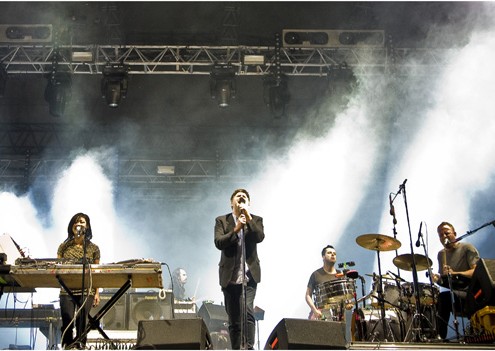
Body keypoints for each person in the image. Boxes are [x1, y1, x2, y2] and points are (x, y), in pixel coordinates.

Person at [214, 188, 265, 350]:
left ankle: (249, 348)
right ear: (232, 203)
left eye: (245, 197)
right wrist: (236, 229)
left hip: (249, 276)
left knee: (248, 312)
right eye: (238, 196)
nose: (241, 197)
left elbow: (259, 237)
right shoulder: (222, 221)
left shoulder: (256, 220)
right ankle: (236, 348)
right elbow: (219, 242)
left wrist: (248, 219)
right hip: (229, 276)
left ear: (248, 203)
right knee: (234, 319)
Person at [57, 212, 101, 349]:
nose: (79, 224)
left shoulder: (93, 248)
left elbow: (97, 272)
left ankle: (80, 345)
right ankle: (67, 346)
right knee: (67, 318)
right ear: (72, 226)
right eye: (76, 222)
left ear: (87, 227)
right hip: (67, 288)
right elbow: (58, 268)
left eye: (82, 222)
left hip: (87, 289)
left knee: (82, 318)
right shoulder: (64, 246)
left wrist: (97, 293)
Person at [432, 221, 480, 340]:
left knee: (444, 297)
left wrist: (455, 273)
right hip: (457, 294)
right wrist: (437, 279)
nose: (444, 237)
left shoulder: (467, 248)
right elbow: (446, 281)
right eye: (441, 235)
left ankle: (440, 337)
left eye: (447, 233)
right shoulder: (441, 254)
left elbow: (477, 272)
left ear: (455, 233)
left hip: (473, 293)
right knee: (436, 299)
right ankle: (437, 336)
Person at [306, 245, 355, 321]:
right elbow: (308, 295)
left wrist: (348, 303)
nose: (333, 255)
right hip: (321, 314)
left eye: (334, 254)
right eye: (329, 253)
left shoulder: (341, 274)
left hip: (339, 315)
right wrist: (314, 310)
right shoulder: (316, 274)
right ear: (323, 256)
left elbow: (346, 296)